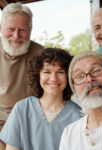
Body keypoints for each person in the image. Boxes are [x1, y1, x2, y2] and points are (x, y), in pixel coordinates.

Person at [0, 48, 82, 150]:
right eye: (47, 72)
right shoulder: (22, 109)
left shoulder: (79, 116)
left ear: (69, 76)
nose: (53, 78)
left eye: (60, 72)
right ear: (38, 75)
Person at [0, 3, 44, 148]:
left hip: (27, 121)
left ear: (30, 30)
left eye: (22, 30)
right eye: (10, 29)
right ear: (1, 28)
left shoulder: (41, 55)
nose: (16, 36)